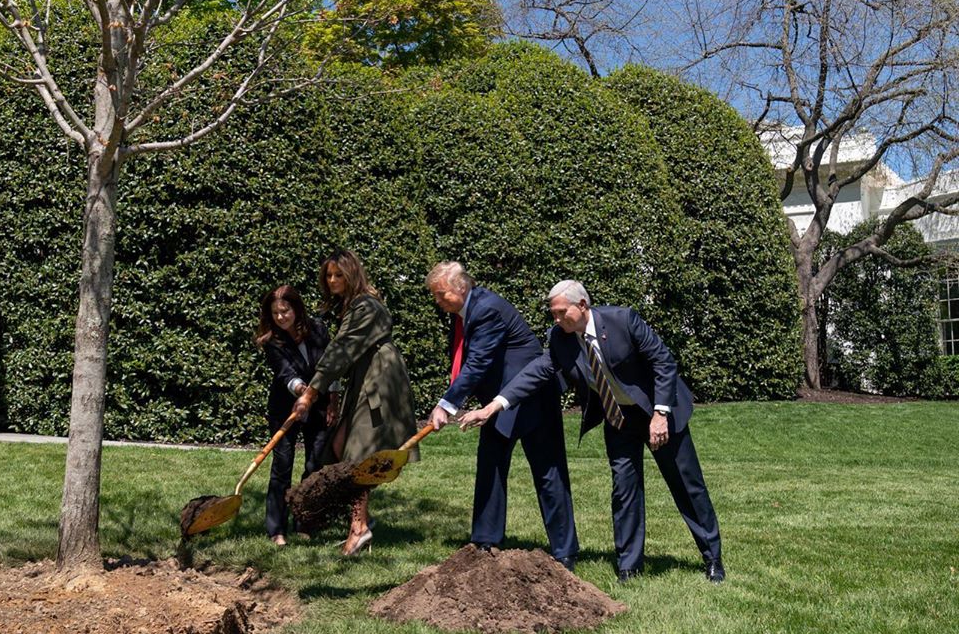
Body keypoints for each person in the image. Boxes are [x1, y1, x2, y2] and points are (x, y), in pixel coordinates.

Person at [459, 280, 725, 583]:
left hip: (660, 413)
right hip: (619, 418)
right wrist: (493, 406)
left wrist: (661, 414)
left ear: (582, 305)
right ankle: (629, 567)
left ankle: (712, 558)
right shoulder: (561, 339)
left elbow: (663, 361)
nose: (557, 320)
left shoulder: (623, 320)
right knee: (624, 489)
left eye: (561, 313)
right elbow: (535, 373)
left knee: (686, 485)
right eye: (553, 315)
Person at [426, 262, 579, 570]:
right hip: (496, 402)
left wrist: (446, 405)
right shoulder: (465, 313)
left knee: (548, 474)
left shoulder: (486, 310)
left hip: (532, 398)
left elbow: (478, 362)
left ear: (461, 288)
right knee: (490, 467)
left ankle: (564, 552)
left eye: (441, 294)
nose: (438, 301)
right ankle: (484, 543)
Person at [293, 249, 419, 556]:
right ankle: (362, 518)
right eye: (329, 276)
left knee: (357, 453)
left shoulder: (366, 305)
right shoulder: (351, 306)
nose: (333, 280)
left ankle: (359, 528)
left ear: (352, 275)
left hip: (379, 379)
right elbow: (343, 352)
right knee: (339, 446)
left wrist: (311, 393)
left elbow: (342, 349)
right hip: (364, 376)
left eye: (339, 275)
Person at [255, 285, 332, 547]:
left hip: (320, 406)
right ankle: (276, 529)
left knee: (314, 464)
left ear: (296, 308)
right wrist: (302, 394)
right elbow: (286, 373)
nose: (280, 317)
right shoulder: (272, 341)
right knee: (282, 466)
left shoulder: (318, 330)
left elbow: (330, 366)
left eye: (284, 311)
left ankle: (305, 522)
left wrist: (331, 400)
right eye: (275, 313)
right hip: (284, 408)